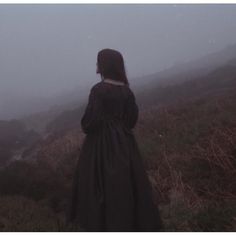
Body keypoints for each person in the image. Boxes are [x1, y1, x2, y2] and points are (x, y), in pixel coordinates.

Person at [65, 48, 163, 232]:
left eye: (98, 62)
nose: (96, 65)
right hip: (125, 145)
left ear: (103, 65)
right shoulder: (126, 90)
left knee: (98, 188)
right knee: (126, 187)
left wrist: (102, 125)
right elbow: (131, 120)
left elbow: (88, 123)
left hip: (100, 146)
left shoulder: (98, 90)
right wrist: (118, 127)